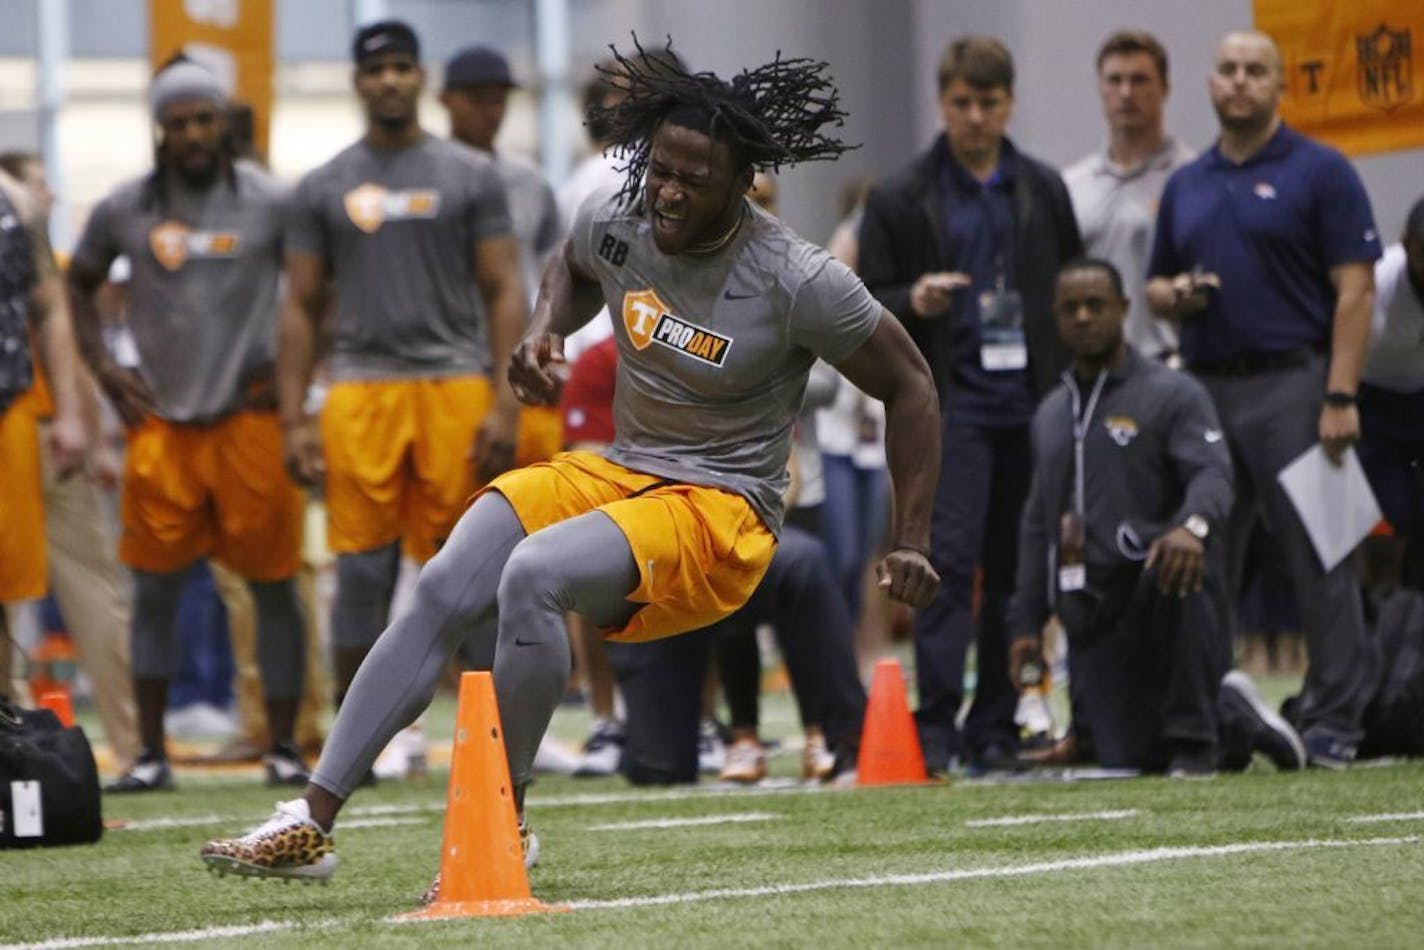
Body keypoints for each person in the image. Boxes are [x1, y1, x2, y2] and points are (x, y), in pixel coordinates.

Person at [201, 41, 940, 885]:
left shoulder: (798, 277)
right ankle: (312, 821)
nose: (666, 190)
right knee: (450, 577)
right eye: (660, 168)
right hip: (624, 469)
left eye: (692, 180)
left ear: (740, 183)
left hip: (722, 506)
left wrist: (911, 536)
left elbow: (912, 384)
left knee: (536, 573)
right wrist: (545, 326)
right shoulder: (620, 212)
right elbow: (577, 263)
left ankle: (501, 827)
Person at [66, 59, 310, 791]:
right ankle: (148, 755)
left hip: (250, 425)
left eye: (203, 119)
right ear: (160, 133)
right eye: (178, 124)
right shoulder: (124, 208)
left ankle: (284, 748)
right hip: (163, 428)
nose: (193, 134)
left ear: (222, 121)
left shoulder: (270, 201)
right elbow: (75, 282)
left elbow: (314, 289)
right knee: (155, 591)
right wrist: (106, 371)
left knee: (273, 587)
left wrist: (294, 373)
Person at [274, 22, 527, 711]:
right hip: (360, 389)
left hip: (455, 386)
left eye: (401, 67)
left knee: (473, 567)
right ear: (357, 82)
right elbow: (297, 305)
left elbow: (506, 290)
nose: (389, 79)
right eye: (375, 68)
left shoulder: (470, 175)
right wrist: (293, 419)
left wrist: (506, 405)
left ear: (421, 79)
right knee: (360, 571)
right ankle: (364, 736)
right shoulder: (323, 186)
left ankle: (498, 729)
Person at [1146, 30, 1382, 769]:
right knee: (1204, 557)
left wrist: (1341, 392)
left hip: (1296, 385)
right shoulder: (1187, 182)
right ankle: (1218, 717)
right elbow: (1153, 281)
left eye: (1255, 71)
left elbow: (1357, 289)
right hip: (1207, 388)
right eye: (1228, 70)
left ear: (1281, 86)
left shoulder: (1323, 171)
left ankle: (1336, 723)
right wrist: (1174, 295)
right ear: (1210, 85)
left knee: (1323, 555)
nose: (1240, 81)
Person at [858, 35, 1083, 773]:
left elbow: (1075, 289)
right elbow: (861, 304)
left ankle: (995, 723)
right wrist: (911, 299)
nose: (976, 117)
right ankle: (937, 727)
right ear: (942, 102)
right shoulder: (900, 195)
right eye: (962, 103)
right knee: (943, 565)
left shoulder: (1043, 189)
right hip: (950, 407)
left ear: (1009, 103)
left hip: (1033, 404)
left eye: (989, 103)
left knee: (1019, 574)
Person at [1006, 258, 1303, 775]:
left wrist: (1191, 527)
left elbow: (1214, 475)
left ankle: (1202, 733)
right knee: (1130, 759)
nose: (1082, 317)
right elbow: (1038, 524)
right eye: (1070, 308)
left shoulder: (1173, 392)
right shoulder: (1051, 414)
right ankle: (1230, 717)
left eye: (1095, 305)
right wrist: (1027, 620)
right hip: (1092, 611)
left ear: (1123, 308)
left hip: (1159, 591)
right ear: (1055, 318)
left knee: (1178, 560)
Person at [0, 151, 139, 771]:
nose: (49, 194)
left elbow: (67, 347)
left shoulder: (33, 245)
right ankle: (134, 744)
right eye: (40, 183)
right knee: (89, 593)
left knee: (28, 595)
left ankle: (18, 729)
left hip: (30, 432)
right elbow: (73, 358)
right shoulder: (41, 257)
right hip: (45, 434)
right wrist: (93, 434)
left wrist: (89, 432)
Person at [0, 165, 85, 699]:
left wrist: (71, 412)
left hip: (7, 409)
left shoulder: (16, 204)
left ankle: (6, 727)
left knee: (6, 585)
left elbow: (50, 308)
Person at [1063, 30, 1195, 362]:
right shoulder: (1072, 184)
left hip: (1168, 361)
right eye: (1114, 80)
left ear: (1164, 88)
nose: (1126, 92)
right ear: (1100, 88)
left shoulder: (1192, 177)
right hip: (1093, 365)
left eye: (1139, 80)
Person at [1356, 196, 1424, 590]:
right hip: (1373, 403)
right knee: (1386, 522)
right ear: (1407, 243)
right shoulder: (1379, 281)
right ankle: (1378, 611)